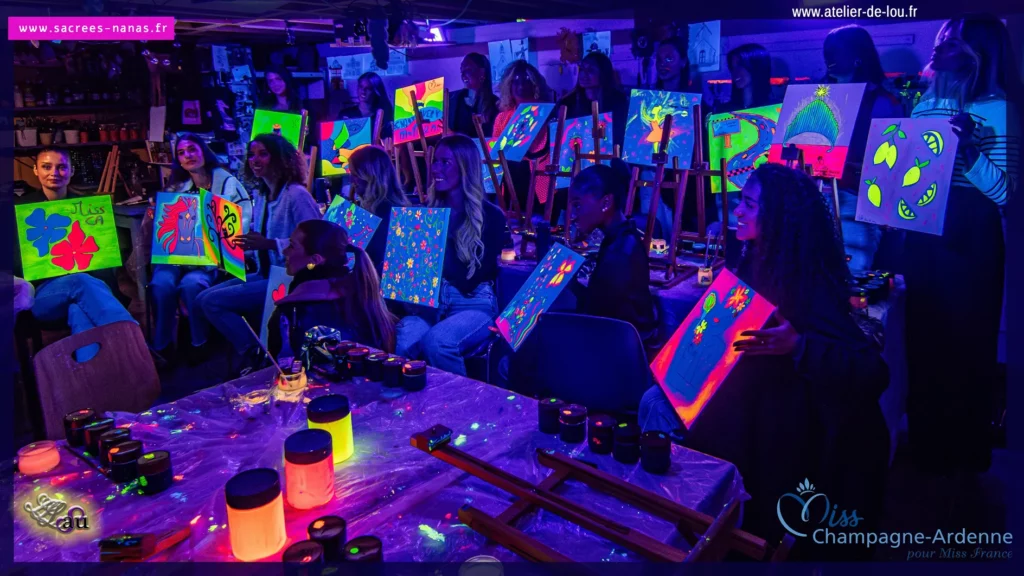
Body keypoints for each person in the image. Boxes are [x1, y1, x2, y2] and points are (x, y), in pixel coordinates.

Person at [639, 164, 890, 558]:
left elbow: (873, 372)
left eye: (750, 204)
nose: (737, 210)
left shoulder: (807, 282)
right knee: (654, 405)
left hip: (783, 437)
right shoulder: (757, 260)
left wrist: (798, 345)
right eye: (742, 201)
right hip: (746, 411)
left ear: (778, 217)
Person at [904, 14, 1018, 475]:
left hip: (971, 233)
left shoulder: (998, 108)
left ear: (978, 51)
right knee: (923, 336)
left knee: (966, 343)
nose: (939, 44)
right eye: (940, 37)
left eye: (951, 39)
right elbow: (910, 178)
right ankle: (926, 445)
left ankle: (967, 455)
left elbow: (1005, 193)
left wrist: (968, 151)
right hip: (924, 231)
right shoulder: (922, 105)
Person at [196, 133, 321, 374]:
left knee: (213, 302)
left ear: (280, 158)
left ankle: (256, 354)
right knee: (202, 299)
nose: (255, 159)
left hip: (289, 278)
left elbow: (315, 240)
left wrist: (269, 244)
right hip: (265, 272)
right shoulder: (262, 195)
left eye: (263, 154)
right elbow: (262, 239)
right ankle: (255, 351)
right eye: (252, 154)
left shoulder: (296, 195)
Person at [395, 135, 506, 376]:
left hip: (472, 304)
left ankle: (458, 409)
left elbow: (471, 279)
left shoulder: (490, 216)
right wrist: (401, 265)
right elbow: (411, 281)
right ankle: (417, 408)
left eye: (445, 162)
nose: (435, 168)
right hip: (429, 307)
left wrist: (432, 245)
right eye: (435, 162)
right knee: (404, 342)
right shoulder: (425, 213)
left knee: (438, 341)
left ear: (465, 167)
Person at [15, 147, 137, 362]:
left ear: (71, 171)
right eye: (46, 166)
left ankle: (94, 378)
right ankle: (136, 347)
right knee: (79, 281)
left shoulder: (89, 208)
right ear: (35, 170)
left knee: (79, 311)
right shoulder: (21, 210)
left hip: (88, 290)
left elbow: (104, 263)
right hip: (44, 295)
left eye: (62, 167)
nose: (54, 172)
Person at [149, 133, 252, 362]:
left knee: (192, 285)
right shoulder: (175, 186)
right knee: (160, 284)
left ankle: (199, 343)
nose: (188, 156)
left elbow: (241, 222)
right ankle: (162, 345)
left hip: (209, 260)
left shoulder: (227, 183)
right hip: (175, 256)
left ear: (203, 151)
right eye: (182, 153)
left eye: (192, 149)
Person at [823, 25, 904, 271]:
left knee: (852, 275)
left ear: (858, 56)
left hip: (859, 200)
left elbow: (892, 161)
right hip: (819, 196)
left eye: (836, 50)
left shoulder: (882, 101)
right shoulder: (818, 97)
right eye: (827, 50)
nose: (829, 56)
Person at [269, 220, 397, 356]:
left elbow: (280, 367)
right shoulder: (362, 290)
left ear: (314, 260)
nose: (284, 251)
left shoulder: (289, 313)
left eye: (292, 246)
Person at [567, 161, 658, 345]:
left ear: (606, 202)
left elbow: (595, 318)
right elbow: (599, 304)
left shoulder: (619, 254)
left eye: (578, 205)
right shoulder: (621, 238)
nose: (572, 215)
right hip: (615, 340)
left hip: (620, 349)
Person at [493, 60, 554, 215]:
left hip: (538, 185)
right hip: (510, 184)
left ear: (535, 85)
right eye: (515, 81)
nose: (520, 86)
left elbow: (541, 150)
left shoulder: (547, 114)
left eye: (526, 80)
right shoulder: (501, 118)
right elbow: (496, 156)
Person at [346, 145, 411, 271]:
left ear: (371, 176)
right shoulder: (371, 210)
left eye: (355, 174)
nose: (351, 179)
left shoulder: (385, 214)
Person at [557, 51, 629, 149]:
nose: (584, 74)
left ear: (604, 73)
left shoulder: (618, 100)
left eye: (590, 70)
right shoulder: (567, 103)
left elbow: (621, 137)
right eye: (582, 69)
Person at [449, 53, 499, 139]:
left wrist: (454, 135)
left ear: (482, 73)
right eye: (462, 70)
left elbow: (490, 139)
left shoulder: (495, 104)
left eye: (468, 70)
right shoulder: (454, 98)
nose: (463, 74)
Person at [718, 43, 773, 113]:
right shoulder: (724, 111)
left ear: (756, 67)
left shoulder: (775, 109)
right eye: (732, 67)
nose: (735, 72)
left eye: (740, 65)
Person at [338, 72, 394, 140]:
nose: (363, 91)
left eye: (368, 88)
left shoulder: (383, 117)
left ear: (375, 91)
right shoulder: (345, 114)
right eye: (361, 86)